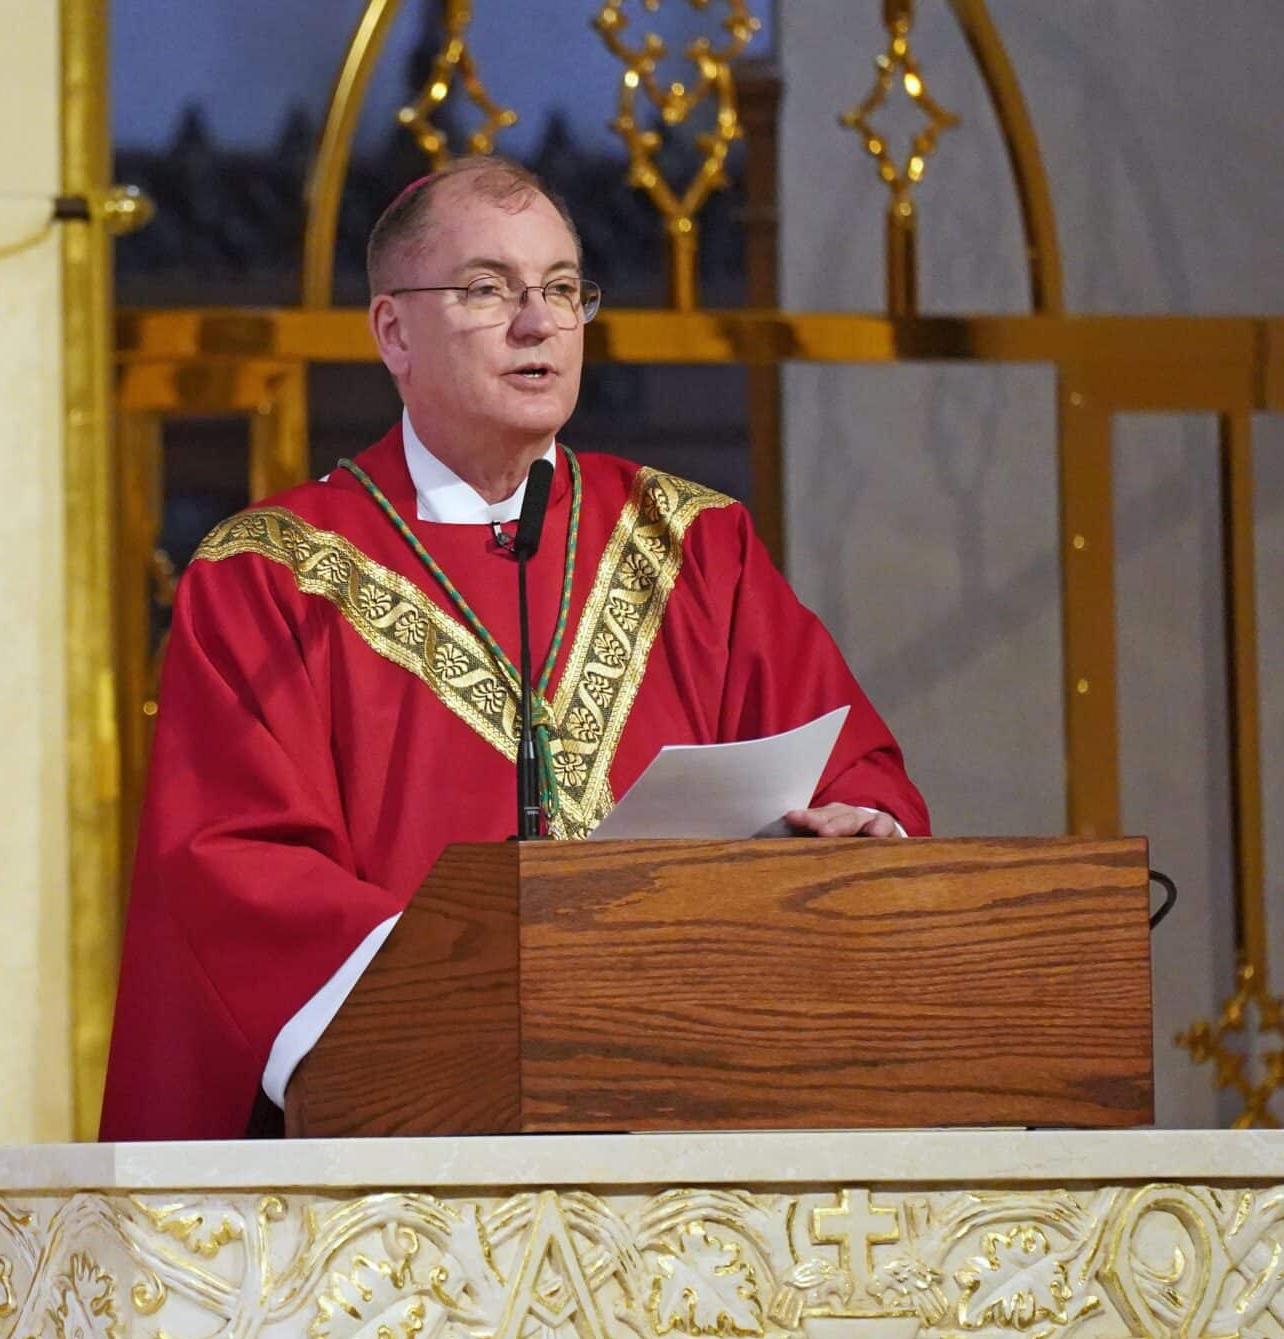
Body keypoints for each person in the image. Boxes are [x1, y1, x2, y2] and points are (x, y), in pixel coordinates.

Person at [100, 156, 928, 1142]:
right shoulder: (270, 577)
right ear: (392, 331)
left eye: (563, 290)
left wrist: (858, 825)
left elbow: (851, 768)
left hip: (689, 1118)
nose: (536, 323)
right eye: (487, 290)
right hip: (412, 1148)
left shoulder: (692, 546)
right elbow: (236, 869)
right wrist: (485, 999)